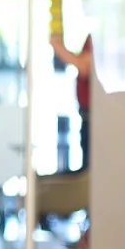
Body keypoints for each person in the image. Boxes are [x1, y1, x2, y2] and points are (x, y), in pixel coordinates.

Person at [50, 33, 93, 168]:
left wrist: (57, 46)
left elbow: (84, 67)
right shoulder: (92, 38)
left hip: (94, 117)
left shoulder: (99, 37)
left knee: (90, 166)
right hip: (87, 114)